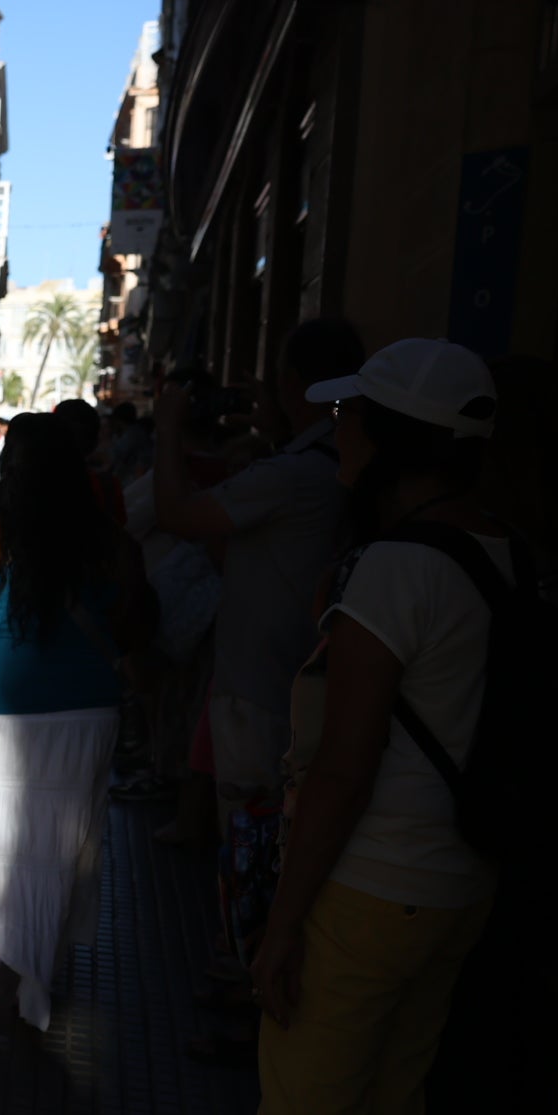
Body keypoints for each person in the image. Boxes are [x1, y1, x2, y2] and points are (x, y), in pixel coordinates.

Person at [143, 340, 512, 1115]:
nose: (335, 431)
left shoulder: (396, 569)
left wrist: (282, 925)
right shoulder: (501, 553)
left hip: (367, 888)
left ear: (394, 440)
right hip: (452, 888)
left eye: (354, 419)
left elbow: (343, 765)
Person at [0, 413, 149, 1035]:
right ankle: (23, 967)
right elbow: (138, 624)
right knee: (56, 849)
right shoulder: (110, 543)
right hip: (83, 710)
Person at [151, 320, 361, 836]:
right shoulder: (335, 459)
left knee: (250, 856)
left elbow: (176, 513)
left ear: (291, 382)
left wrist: (168, 427)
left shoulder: (291, 474)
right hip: (302, 680)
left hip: (259, 692)